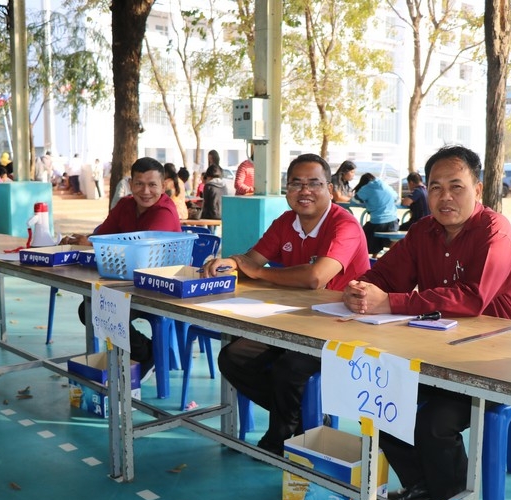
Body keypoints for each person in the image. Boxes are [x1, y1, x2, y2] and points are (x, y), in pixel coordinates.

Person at [342, 145, 511, 500]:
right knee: (378, 400)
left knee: (433, 424)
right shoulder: (423, 231)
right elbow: (384, 276)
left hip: (491, 360)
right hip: (432, 352)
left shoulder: (495, 231)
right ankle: (422, 485)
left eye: (457, 186)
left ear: (478, 190)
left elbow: (472, 298)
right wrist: (359, 288)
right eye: (436, 188)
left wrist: (390, 301)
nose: (445, 197)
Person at [205, 153, 371, 456]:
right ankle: (304, 418)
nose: (304, 191)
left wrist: (258, 272)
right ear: (287, 190)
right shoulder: (285, 222)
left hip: (341, 327)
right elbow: (252, 260)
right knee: (233, 357)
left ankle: (282, 432)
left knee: (289, 368)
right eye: (296, 184)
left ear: (330, 189)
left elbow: (315, 278)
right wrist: (228, 263)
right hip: (292, 320)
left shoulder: (344, 225)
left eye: (314, 183)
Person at [61, 157, 181, 379]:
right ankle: (144, 350)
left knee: (105, 309)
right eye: (139, 184)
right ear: (130, 184)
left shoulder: (164, 212)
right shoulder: (125, 205)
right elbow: (101, 237)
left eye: (152, 185)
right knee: (89, 309)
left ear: (163, 186)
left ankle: (146, 355)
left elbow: (141, 254)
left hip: (159, 290)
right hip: (127, 283)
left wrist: (95, 244)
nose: (146, 191)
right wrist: (86, 241)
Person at [350, 172, 399, 257]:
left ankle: (369, 259)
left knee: (360, 237)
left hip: (377, 222)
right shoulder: (386, 186)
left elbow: (354, 201)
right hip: (393, 222)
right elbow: (397, 200)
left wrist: (367, 203)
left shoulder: (367, 187)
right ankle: (377, 258)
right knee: (384, 242)